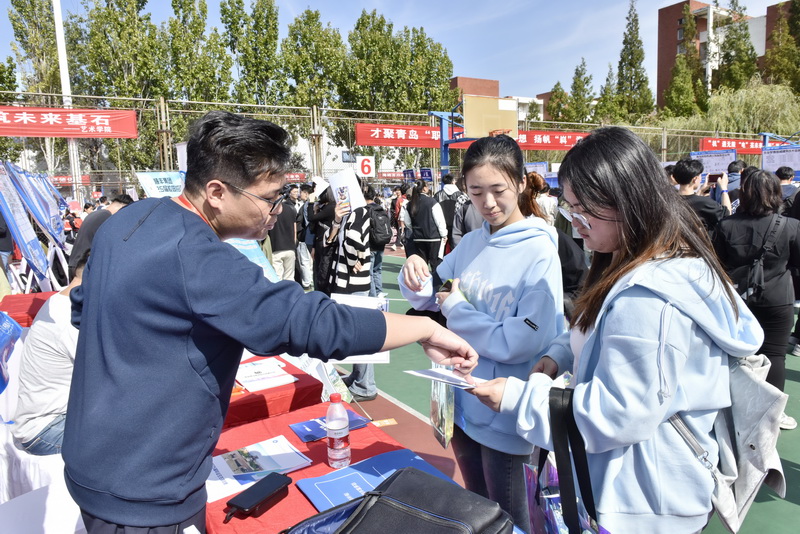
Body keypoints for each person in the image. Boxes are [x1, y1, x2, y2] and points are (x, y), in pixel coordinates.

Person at [62, 111, 479, 532]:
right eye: (269, 198)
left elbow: (81, 307)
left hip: (92, 454)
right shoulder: (198, 256)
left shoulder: (131, 219)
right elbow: (312, 323)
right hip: (145, 487)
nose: (278, 211)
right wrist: (426, 328)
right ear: (217, 192)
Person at [469, 126, 764, 533]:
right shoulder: (638, 260)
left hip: (644, 502)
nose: (575, 222)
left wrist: (517, 398)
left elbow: (617, 413)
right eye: (570, 207)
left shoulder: (648, 297)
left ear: (626, 200)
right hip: (646, 486)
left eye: (582, 210)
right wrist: (560, 353)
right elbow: (596, 327)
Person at [400, 135, 564, 530]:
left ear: (521, 183)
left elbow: (520, 341)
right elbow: (433, 293)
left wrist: (455, 308)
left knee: (511, 519)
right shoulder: (473, 242)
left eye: (498, 190)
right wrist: (414, 271)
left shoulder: (540, 251)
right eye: (476, 192)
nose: (487, 203)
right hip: (461, 401)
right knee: (475, 507)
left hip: (505, 411)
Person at [713, 169, 800, 430]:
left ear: (744, 193)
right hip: (777, 297)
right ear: (776, 193)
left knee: (735, 356)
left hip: (737, 299)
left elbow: (716, 264)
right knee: (775, 355)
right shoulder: (791, 226)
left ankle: (735, 409)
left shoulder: (726, 225)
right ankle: (773, 414)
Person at [11, 250, 88, 455]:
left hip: (46, 420)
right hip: (46, 429)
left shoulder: (60, 300)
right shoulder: (68, 319)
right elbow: (108, 372)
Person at [67, 194, 134, 280]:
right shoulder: (107, 217)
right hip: (84, 269)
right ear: (122, 209)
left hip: (76, 265)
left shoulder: (96, 214)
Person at [672, 158, 730, 235]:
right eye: (700, 176)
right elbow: (727, 216)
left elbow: (689, 201)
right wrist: (724, 189)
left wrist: (700, 190)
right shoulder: (705, 203)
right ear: (695, 179)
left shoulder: (668, 200)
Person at [402, 180, 447, 270]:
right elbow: (439, 220)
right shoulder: (432, 202)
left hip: (418, 238)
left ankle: (422, 279)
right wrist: (444, 234)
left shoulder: (410, 204)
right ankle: (435, 279)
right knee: (436, 265)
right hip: (433, 238)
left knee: (421, 266)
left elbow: (407, 222)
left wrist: (415, 229)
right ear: (424, 189)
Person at [267, 186, 297, 281]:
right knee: (290, 277)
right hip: (290, 247)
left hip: (275, 247)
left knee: (277, 277)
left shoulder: (270, 209)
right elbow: (294, 229)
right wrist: (294, 244)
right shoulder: (291, 209)